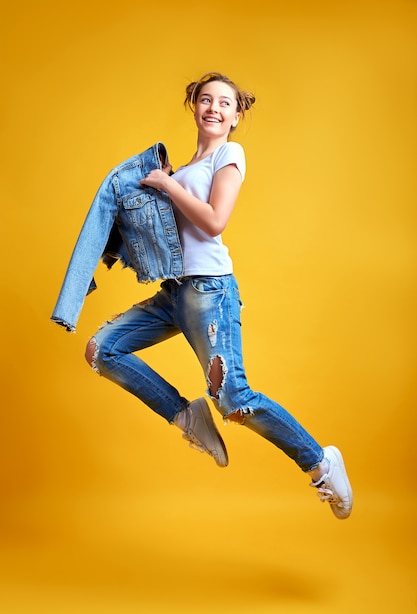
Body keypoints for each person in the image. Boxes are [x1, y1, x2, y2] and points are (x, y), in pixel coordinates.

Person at [83, 71, 353, 520]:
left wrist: (167, 186)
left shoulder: (230, 154)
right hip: (173, 291)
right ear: (194, 106)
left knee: (233, 399)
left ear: (236, 115)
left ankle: (321, 463)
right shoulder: (184, 168)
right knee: (101, 351)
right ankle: (188, 417)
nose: (213, 108)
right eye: (205, 100)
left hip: (210, 291)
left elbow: (213, 221)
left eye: (224, 103)